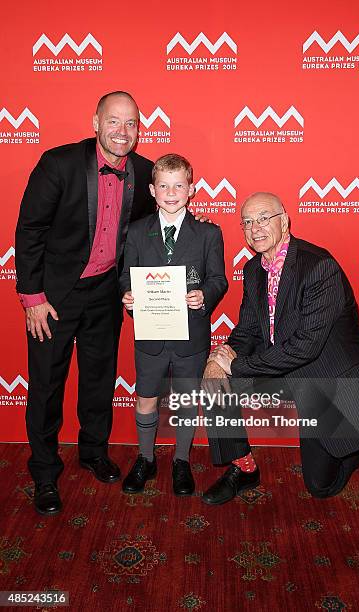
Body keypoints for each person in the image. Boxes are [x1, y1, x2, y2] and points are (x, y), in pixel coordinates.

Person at [201, 191, 359, 505]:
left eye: (263, 218)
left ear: (284, 220)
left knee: (321, 487)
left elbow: (306, 348)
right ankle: (243, 468)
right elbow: (248, 330)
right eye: (247, 222)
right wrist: (219, 358)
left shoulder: (319, 267)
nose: (255, 228)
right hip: (281, 367)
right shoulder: (254, 270)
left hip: (324, 374)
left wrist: (236, 366)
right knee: (215, 383)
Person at [15, 91, 156, 515]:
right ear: (95, 122)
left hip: (106, 294)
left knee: (99, 378)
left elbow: (154, 227)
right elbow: (30, 230)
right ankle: (43, 471)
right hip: (54, 297)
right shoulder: (58, 164)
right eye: (113, 121)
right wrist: (32, 297)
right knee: (46, 385)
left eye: (130, 123)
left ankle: (93, 451)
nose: (122, 131)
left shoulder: (144, 172)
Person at [119, 154, 228, 496]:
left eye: (179, 185)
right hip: (150, 336)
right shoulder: (136, 232)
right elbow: (126, 274)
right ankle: (146, 458)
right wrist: (128, 295)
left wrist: (204, 296)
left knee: (185, 400)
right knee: (146, 399)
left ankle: (181, 460)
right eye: (164, 186)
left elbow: (219, 279)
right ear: (152, 190)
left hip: (190, 337)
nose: (171, 192)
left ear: (191, 189)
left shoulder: (209, 233)